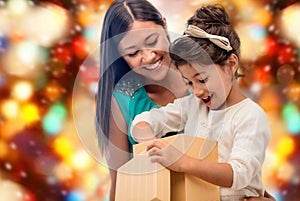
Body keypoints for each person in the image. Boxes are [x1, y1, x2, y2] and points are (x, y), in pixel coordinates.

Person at [95, 0, 275, 200]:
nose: (148, 56)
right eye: (133, 52)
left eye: (152, 41)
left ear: (164, 25)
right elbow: (121, 184)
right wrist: (154, 144)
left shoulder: (211, 88)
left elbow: (241, 169)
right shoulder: (134, 100)